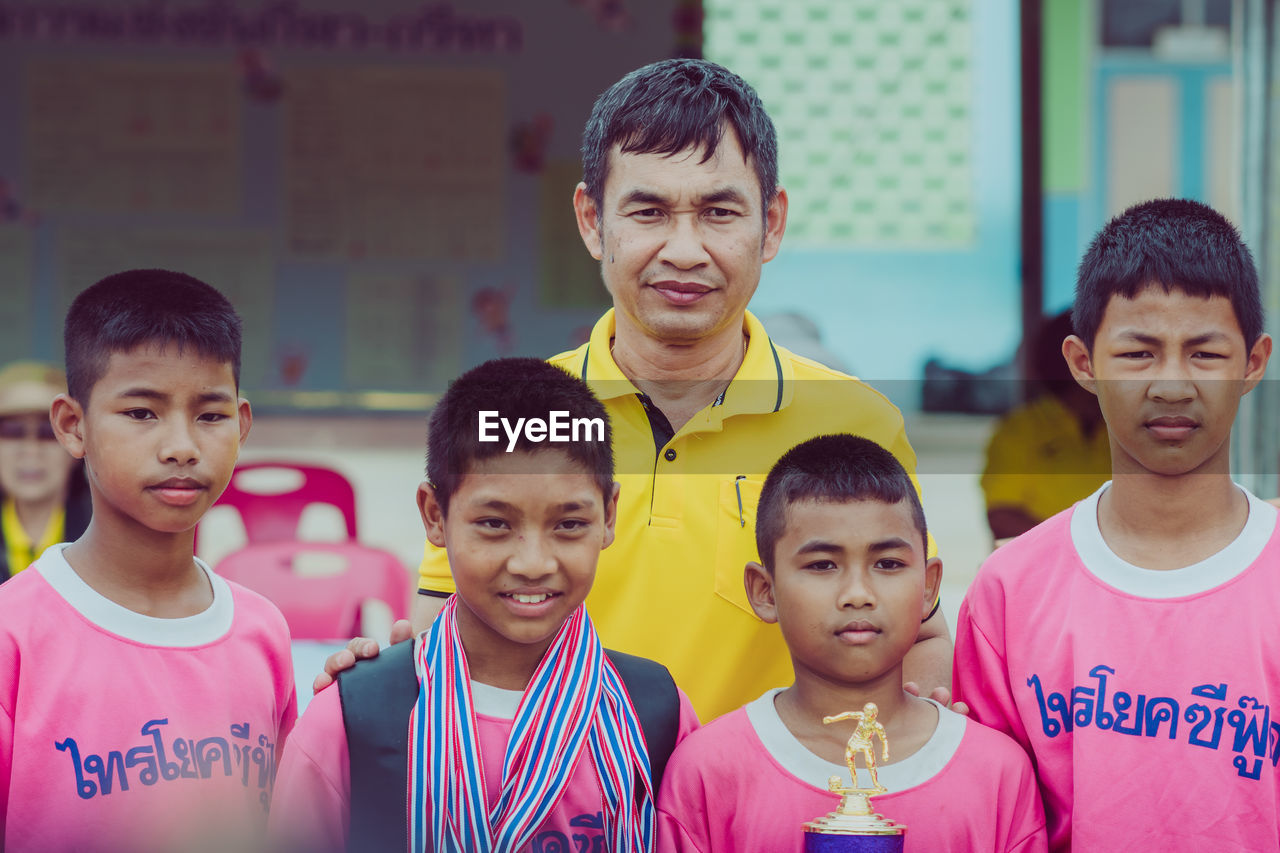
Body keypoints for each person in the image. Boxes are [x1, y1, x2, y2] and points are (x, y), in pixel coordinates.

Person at [375, 58, 951, 721]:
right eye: (648, 210)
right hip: (558, 815)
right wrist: (379, 683)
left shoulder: (855, 421)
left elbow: (923, 634)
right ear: (593, 221)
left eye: (718, 212)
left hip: (768, 816)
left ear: (773, 223)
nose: (684, 250)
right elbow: (444, 631)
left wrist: (905, 733)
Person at [270, 358, 699, 853]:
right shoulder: (355, 714)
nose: (533, 563)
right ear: (435, 516)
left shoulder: (656, 713)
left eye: (569, 524)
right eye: (495, 523)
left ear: (608, 516)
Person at [952, 198, 1276, 851]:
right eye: (1138, 353)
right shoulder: (1010, 590)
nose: (1173, 386)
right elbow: (992, 817)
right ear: (1082, 362)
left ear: (1253, 363)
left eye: (1205, 353)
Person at [0, 270, 297, 852]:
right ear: (73, 425)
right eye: (141, 413)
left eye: (209, 416)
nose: (181, 446)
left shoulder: (263, 630)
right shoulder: (14, 631)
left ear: (241, 426)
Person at [657, 435, 1046, 852]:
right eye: (822, 565)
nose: (858, 593)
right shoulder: (710, 770)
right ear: (765, 591)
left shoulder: (995, 772)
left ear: (929, 586)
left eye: (888, 564)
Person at [981, 311, 1109, 541]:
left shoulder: (1131, 427)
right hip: (1042, 569)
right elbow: (1001, 517)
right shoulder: (1020, 430)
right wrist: (1081, 547)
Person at [0, 362, 90, 580]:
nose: (31, 451)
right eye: (13, 432)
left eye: (48, 433)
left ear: (76, 442)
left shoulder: (111, 538)